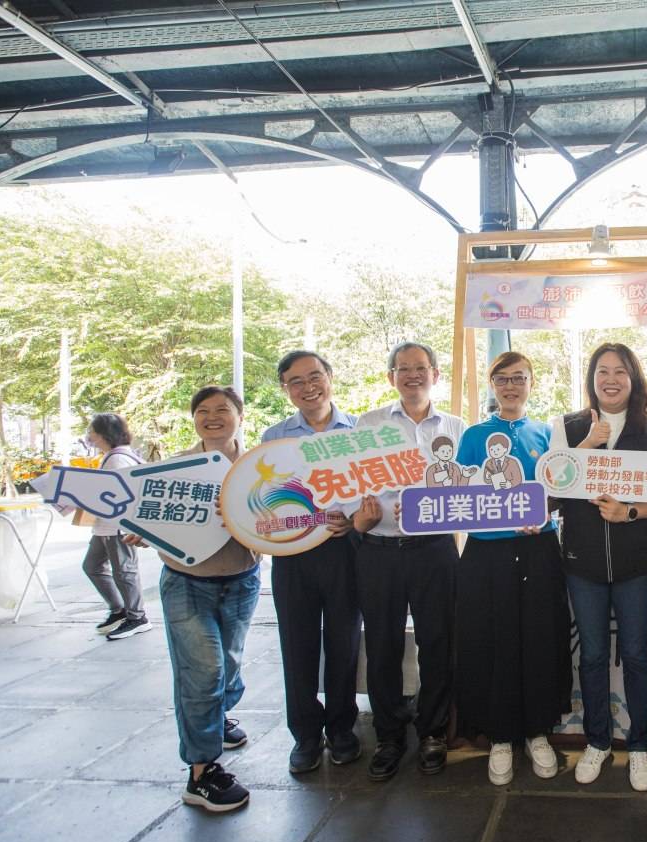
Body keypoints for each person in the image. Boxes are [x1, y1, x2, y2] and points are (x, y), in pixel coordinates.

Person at [549, 343, 647, 792]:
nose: (610, 379)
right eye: (602, 371)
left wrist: (630, 513)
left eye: (620, 371)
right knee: (592, 655)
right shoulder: (567, 427)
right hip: (581, 562)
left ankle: (639, 744)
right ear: (592, 379)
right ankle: (598, 741)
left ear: (633, 378)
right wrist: (587, 444)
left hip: (636, 563)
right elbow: (553, 488)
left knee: (637, 653)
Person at [126, 386, 260, 812]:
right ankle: (201, 773)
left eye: (223, 409)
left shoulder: (259, 467)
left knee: (229, 665)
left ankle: (216, 719)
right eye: (203, 410)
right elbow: (148, 516)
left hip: (242, 581)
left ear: (240, 415)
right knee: (203, 674)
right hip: (187, 584)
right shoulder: (175, 469)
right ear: (194, 419)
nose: (212, 417)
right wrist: (143, 531)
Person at [454, 351, 572, 786]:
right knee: (492, 638)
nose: (510, 385)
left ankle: (538, 732)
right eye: (502, 378)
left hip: (539, 550)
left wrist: (543, 511)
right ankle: (500, 736)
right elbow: (458, 494)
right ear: (492, 384)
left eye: (519, 377)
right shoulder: (473, 435)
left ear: (531, 383)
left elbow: (562, 490)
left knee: (539, 637)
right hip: (487, 554)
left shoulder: (548, 434)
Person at [347, 342, 463, 781]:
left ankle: (432, 731)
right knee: (382, 646)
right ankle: (389, 735)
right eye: (403, 368)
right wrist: (357, 517)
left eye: (421, 368)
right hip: (379, 550)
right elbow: (348, 482)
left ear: (435, 374)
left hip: (435, 551)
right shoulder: (368, 424)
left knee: (438, 642)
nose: (413, 375)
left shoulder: (457, 427)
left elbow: (467, 490)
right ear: (391, 377)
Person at [261, 350, 362, 774]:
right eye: (296, 381)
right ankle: (304, 734)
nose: (308, 387)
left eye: (315, 376)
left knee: (344, 642)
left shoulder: (360, 431)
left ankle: (341, 729)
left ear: (330, 378)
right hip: (292, 554)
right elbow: (262, 499)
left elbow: (374, 491)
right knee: (296, 644)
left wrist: (354, 520)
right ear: (286, 389)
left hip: (345, 550)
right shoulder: (274, 437)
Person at [80, 413, 149, 639]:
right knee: (92, 566)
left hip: (117, 526)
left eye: (91, 431)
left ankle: (137, 617)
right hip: (105, 526)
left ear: (103, 434)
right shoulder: (113, 456)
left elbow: (121, 495)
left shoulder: (117, 459)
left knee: (124, 571)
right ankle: (119, 610)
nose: (89, 436)